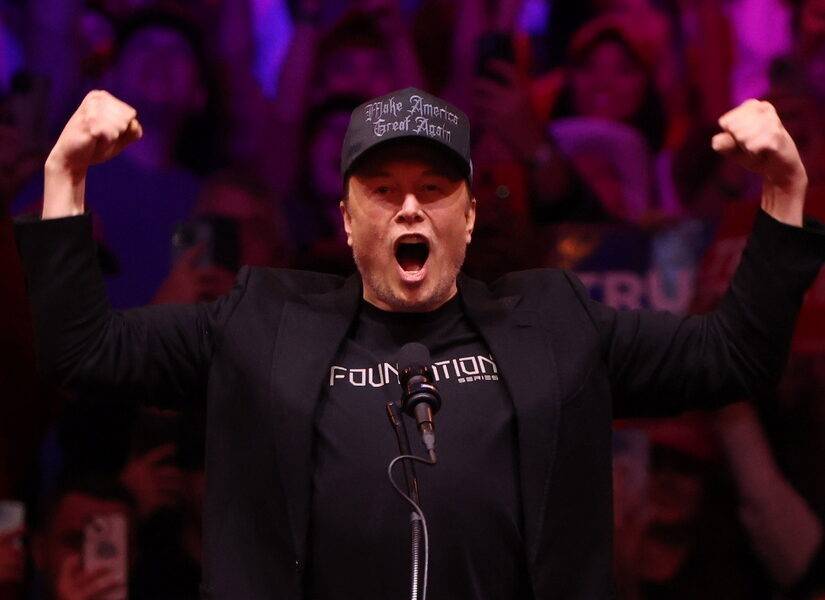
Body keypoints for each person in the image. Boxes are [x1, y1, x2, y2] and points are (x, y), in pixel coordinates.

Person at [13, 85, 825, 599]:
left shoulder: (556, 321)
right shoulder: (260, 321)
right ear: (346, 220)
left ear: (466, 219)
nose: (408, 208)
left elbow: (735, 356)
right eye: (382, 189)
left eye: (433, 189)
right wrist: (64, 177)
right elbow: (84, 352)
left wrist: (785, 189)